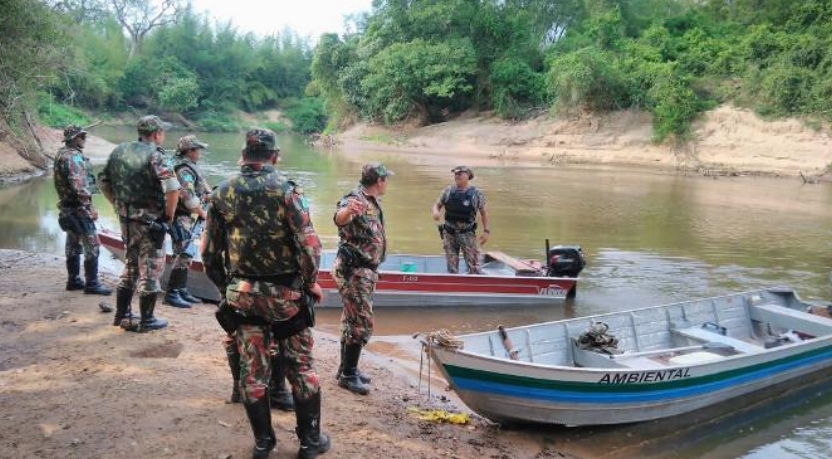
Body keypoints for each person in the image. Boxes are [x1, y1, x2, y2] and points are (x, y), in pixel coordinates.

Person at [202, 128, 330, 459]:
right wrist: (310, 281)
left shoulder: (222, 192)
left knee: (252, 369)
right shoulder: (286, 191)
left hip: (242, 295)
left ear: (243, 155)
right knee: (300, 366)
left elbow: (208, 254)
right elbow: (310, 246)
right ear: (274, 156)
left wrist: (225, 290)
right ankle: (309, 442)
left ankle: (263, 443)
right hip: (285, 296)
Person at [99, 115, 180, 332]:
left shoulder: (119, 151)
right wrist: (168, 216)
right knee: (151, 269)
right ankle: (147, 320)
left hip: (126, 221)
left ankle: (121, 315)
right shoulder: (156, 155)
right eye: (162, 133)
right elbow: (173, 188)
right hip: (150, 223)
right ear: (156, 134)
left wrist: (117, 205)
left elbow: (103, 181)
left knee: (131, 264)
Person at [332, 163, 393, 396]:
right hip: (354, 270)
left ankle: (346, 370)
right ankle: (348, 375)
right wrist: (348, 211)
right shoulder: (354, 198)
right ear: (379, 180)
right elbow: (339, 218)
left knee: (351, 319)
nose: (387, 183)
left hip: (365, 270)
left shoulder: (373, 202)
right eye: (386, 179)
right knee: (361, 322)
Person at [53, 124, 112, 296]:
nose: (84, 139)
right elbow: (79, 186)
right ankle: (92, 284)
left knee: (72, 243)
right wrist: (90, 207)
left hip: (67, 207)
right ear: (74, 139)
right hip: (79, 208)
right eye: (82, 136)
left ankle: (73, 280)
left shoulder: (61, 154)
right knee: (92, 244)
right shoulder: (74, 158)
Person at [164, 135, 210, 308]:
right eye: (198, 150)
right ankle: (172, 293)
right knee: (183, 253)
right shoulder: (183, 170)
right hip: (181, 216)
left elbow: (199, 186)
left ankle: (181, 289)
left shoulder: (188, 167)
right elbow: (188, 197)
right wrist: (202, 213)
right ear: (189, 151)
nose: (200, 153)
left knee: (185, 253)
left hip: (188, 216)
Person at [431, 165, 490, 274]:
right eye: (455, 174)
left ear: (468, 176)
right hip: (449, 234)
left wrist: (486, 231)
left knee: (474, 267)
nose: (457, 176)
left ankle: (475, 286)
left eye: (460, 174)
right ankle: (453, 287)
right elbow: (436, 205)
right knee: (452, 268)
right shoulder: (448, 191)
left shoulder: (476, 193)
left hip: (467, 234)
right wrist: (435, 212)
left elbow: (484, 213)